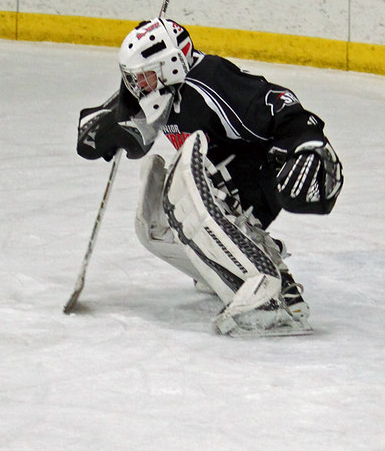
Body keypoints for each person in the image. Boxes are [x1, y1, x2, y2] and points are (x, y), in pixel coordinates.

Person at [76, 18, 343, 336]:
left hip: (257, 180)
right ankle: (229, 273)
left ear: (170, 66)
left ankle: (266, 289)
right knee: (153, 222)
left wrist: (306, 144)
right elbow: (119, 120)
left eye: (143, 78)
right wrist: (102, 130)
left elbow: (276, 103)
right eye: (133, 80)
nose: (138, 87)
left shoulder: (209, 81)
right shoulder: (161, 93)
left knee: (182, 175)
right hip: (224, 185)